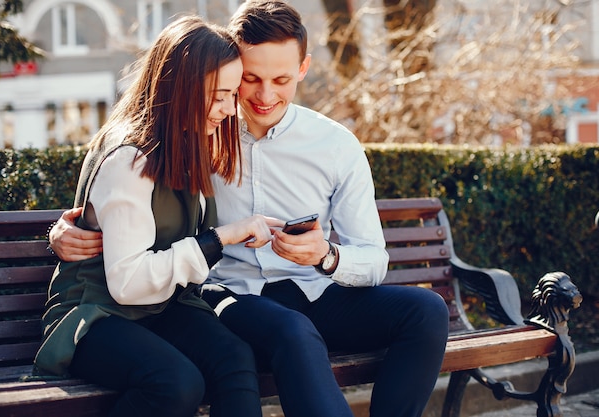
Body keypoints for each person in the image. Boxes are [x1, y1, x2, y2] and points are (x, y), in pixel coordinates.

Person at [48, 2, 450, 416]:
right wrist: (61, 229)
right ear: (231, 69)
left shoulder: (335, 145)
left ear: (304, 68)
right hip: (233, 294)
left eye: (281, 79)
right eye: (251, 79)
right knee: (291, 332)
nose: (265, 95)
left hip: (314, 288)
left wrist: (326, 256)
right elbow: (121, 184)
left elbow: (372, 260)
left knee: (426, 310)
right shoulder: (198, 130)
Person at [36, 15, 277, 417]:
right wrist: (220, 239)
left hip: (161, 308)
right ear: (179, 86)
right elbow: (127, 284)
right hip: (95, 317)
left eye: (232, 94)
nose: (230, 108)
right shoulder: (130, 157)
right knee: (176, 382)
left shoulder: (190, 142)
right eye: (219, 94)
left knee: (235, 357)